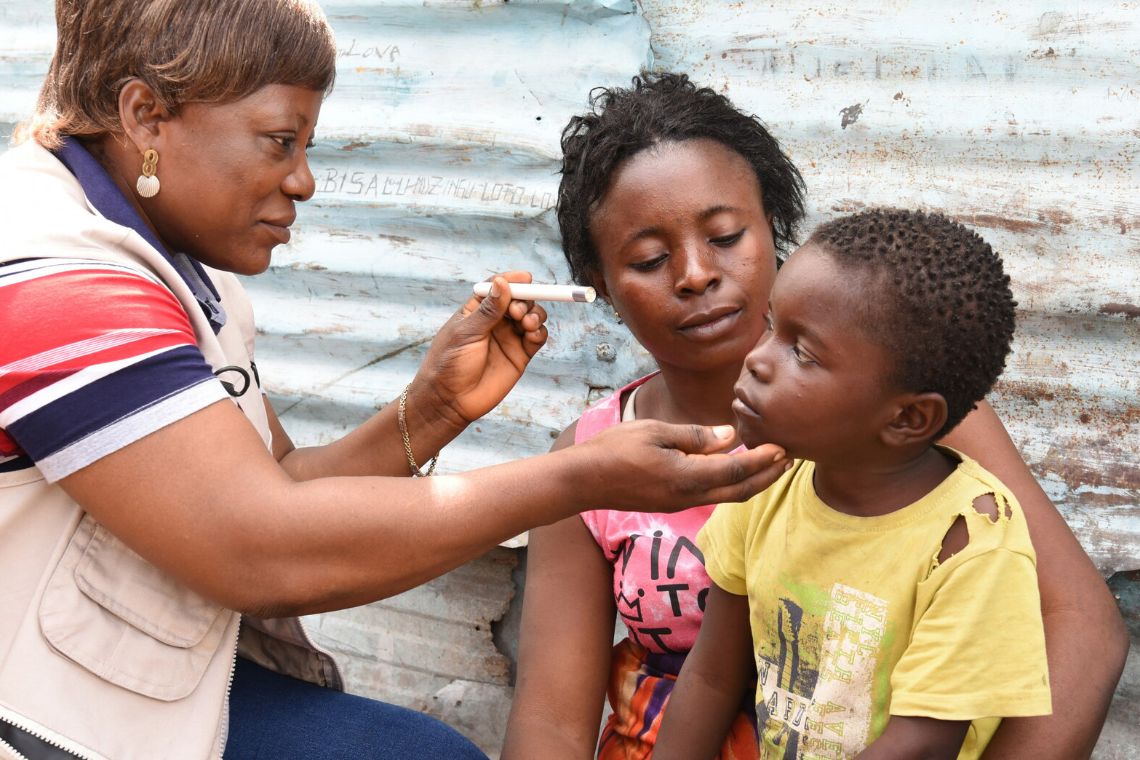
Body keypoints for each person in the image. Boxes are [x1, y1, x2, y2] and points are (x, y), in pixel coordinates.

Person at [0, 6, 793, 760]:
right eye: (280, 142)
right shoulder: (52, 274)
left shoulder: (182, 275)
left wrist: (433, 409)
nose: (304, 182)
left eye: (726, 235)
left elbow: (275, 484)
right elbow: (259, 548)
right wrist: (579, 479)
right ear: (145, 117)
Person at [503, 72, 1128, 760]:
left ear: (773, 230)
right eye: (650, 259)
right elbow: (552, 723)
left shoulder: (910, 423)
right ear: (601, 285)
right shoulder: (590, 459)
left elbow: (1082, 627)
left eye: (725, 235)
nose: (695, 274)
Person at [655, 208, 1051, 759]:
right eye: (772, 326)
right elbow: (711, 677)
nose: (756, 359)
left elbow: (923, 744)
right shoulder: (767, 485)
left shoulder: (969, 541)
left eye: (802, 352)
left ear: (907, 418)